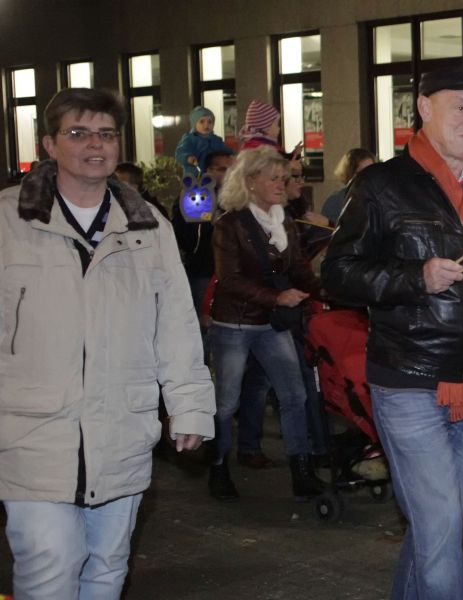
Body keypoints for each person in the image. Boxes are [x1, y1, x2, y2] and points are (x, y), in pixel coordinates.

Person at [0, 87, 215, 599]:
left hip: (122, 427)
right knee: (50, 566)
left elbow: (176, 324)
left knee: (107, 567)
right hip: (32, 430)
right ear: (49, 145)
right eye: (78, 133)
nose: (94, 144)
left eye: (106, 134)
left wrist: (189, 407)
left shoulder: (148, 226)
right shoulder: (9, 220)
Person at [321, 65, 463, 600]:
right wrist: (415, 278)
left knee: (440, 525)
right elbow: (336, 273)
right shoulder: (381, 185)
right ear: (425, 108)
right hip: (408, 382)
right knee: (440, 524)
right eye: (462, 107)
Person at [208, 145, 324, 501]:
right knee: (227, 401)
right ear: (250, 181)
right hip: (235, 324)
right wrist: (277, 297)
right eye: (273, 178)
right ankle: (218, 467)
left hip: (271, 323)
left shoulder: (283, 220)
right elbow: (228, 280)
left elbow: (299, 268)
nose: (281, 184)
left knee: (294, 395)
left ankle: (302, 471)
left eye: (283, 178)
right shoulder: (229, 224)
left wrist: (331, 291)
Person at [172, 150, 235, 320]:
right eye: (222, 169)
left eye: (232, 170)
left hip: (232, 271)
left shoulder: (238, 196)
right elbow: (187, 236)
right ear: (208, 170)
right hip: (204, 269)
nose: (229, 174)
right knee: (206, 318)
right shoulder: (195, 194)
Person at [320, 147, 376, 224]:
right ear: (350, 174)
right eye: (363, 173)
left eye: (372, 171)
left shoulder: (379, 199)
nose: (369, 176)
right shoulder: (335, 202)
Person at [175, 105, 232, 175]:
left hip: (213, 174)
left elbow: (225, 150)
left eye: (210, 122)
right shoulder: (190, 139)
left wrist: (235, 156)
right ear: (194, 124)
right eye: (202, 122)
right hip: (195, 173)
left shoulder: (216, 140)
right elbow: (180, 152)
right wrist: (188, 158)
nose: (206, 125)